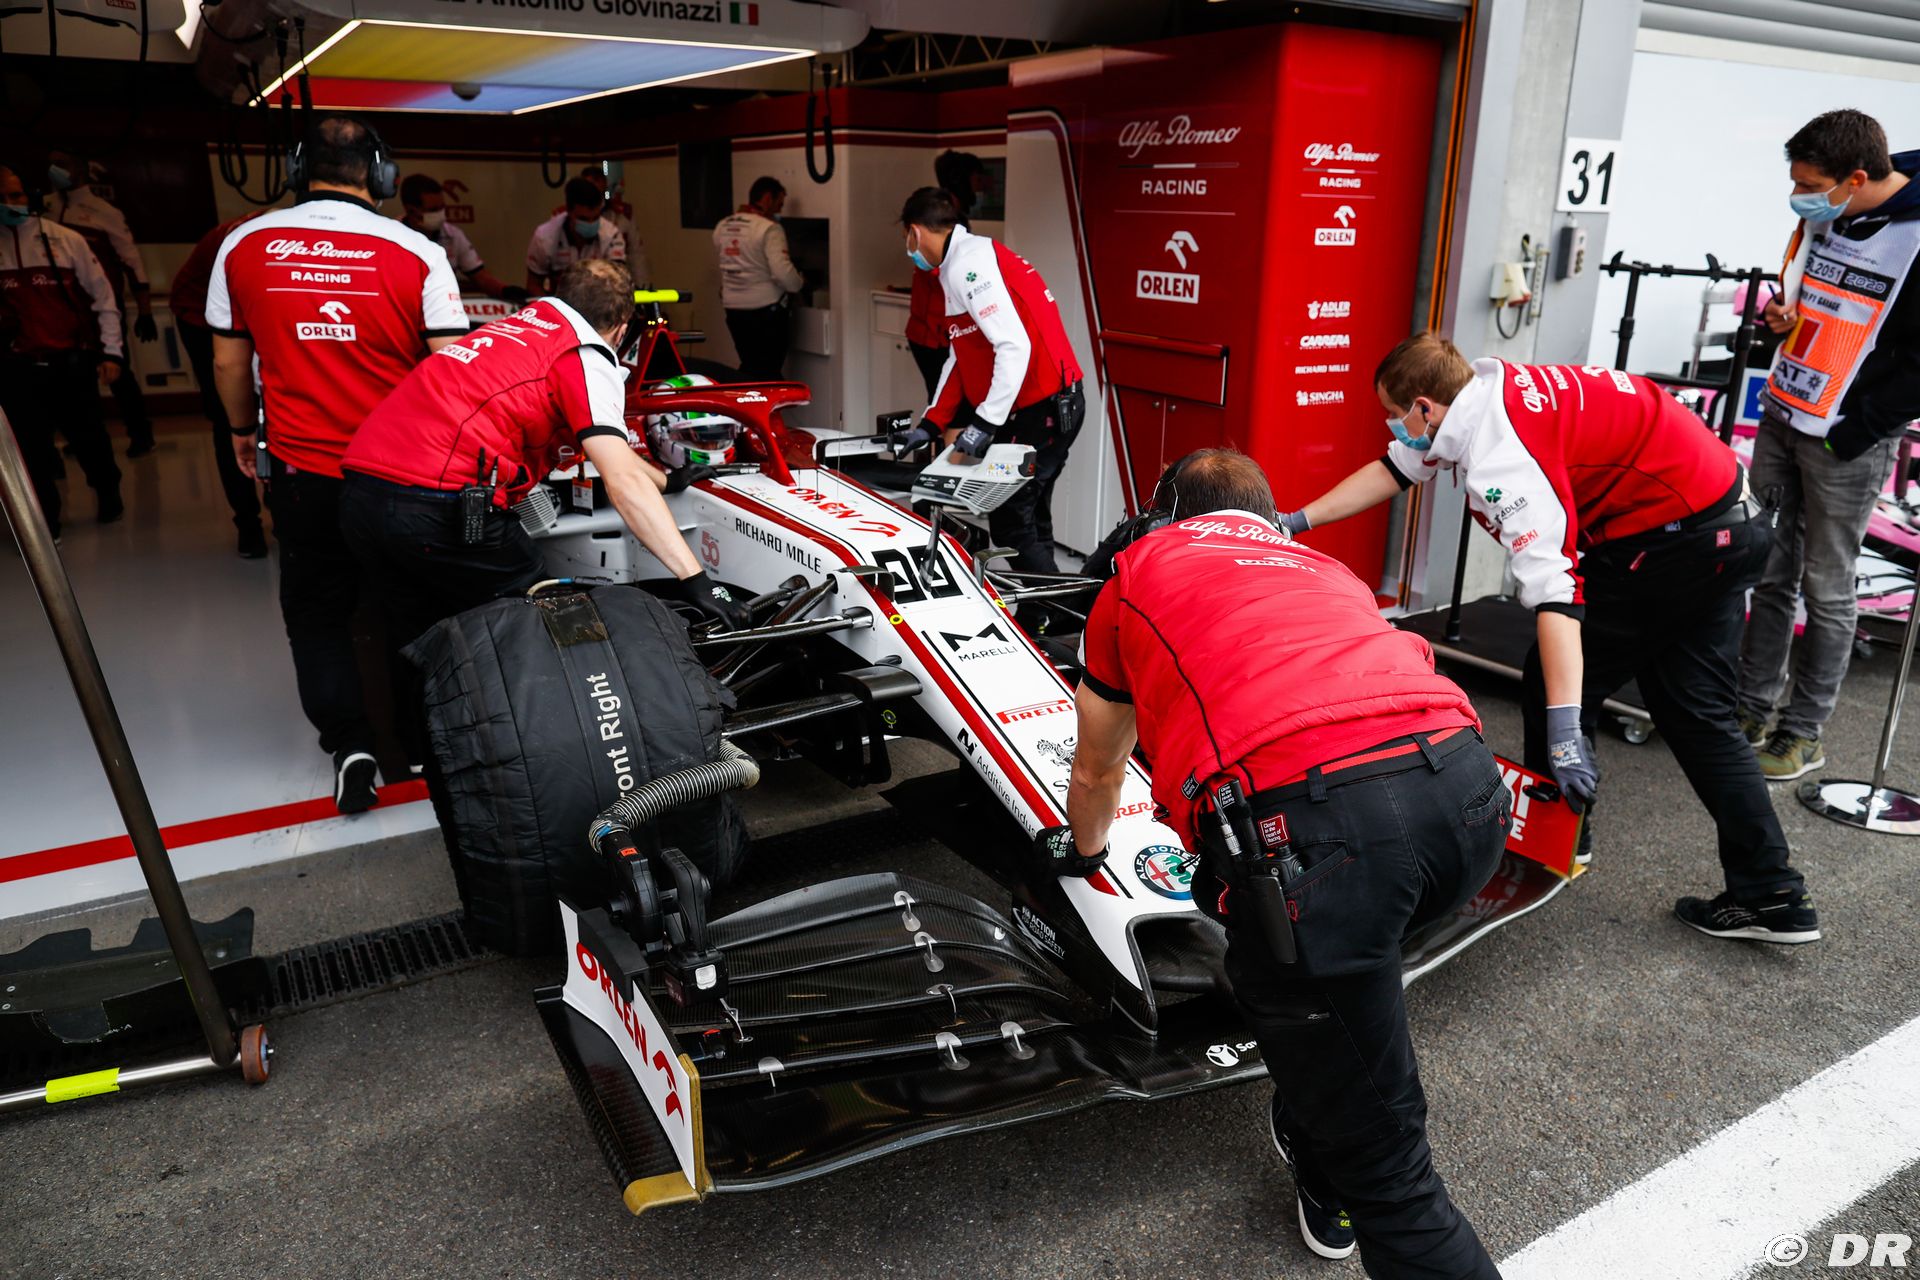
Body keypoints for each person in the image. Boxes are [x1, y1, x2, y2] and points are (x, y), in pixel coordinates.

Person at [1045, 449, 1501, 1277]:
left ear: (1162, 514)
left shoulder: (1135, 573)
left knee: (1397, 1185)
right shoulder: (1324, 567)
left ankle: (1341, 1177)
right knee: (1337, 989)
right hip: (1469, 798)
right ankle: (1324, 1145)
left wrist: (1084, 852)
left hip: (1319, 831)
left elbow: (1097, 769)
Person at [1286, 334, 1820, 945]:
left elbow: (1559, 596)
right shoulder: (1486, 392)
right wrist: (1293, 522)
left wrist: (1564, 731)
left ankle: (1556, 843)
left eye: (1394, 414)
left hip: (1678, 539)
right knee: (1699, 715)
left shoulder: (1504, 458)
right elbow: (1393, 469)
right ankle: (1772, 893)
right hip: (1728, 520)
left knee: (1553, 682)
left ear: (1425, 407)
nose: (1393, 428)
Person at [206, 116, 469, 815]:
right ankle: (421, 746)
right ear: (381, 176)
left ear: (298, 169)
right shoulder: (417, 251)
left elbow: (229, 362)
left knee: (317, 613)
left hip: (303, 475)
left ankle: (351, 747)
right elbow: (451, 370)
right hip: (400, 476)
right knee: (411, 608)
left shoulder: (244, 243)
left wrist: (241, 431)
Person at [339, 258, 748, 665]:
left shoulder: (512, 328)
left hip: (361, 493)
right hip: (436, 503)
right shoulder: (583, 354)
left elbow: (612, 453)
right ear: (622, 329)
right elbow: (621, 478)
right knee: (546, 618)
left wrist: (665, 480)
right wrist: (696, 580)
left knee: (419, 643)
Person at [1737, 108, 1920, 781]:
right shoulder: (1829, 215)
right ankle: (1750, 708)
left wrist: (1853, 432)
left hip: (1846, 440)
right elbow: (1802, 297)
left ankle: (1802, 732)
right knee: (1768, 570)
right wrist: (1778, 318)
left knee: (1827, 585)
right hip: (1785, 412)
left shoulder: (1914, 237)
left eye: (1811, 186)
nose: (1800, 197)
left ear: (1858, 178)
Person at [892, 186, 1085, 573]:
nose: (909, 249)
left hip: (1044, 409)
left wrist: (984, 424)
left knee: (1012, 523)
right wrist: (932, 423)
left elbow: (1013, 345)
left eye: (906, 239)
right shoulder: (962, 261)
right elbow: (961, 354)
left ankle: (1063, 605)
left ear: (915, 231)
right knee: (1031, 517)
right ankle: (1048, 605)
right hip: (1047, 405)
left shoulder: (969, 265)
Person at [0, 164, 124, 538]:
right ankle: (46, 524)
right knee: (30, 451)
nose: (9, 204)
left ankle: (109, 492)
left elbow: (103, 297)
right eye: (1, 198)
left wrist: (112, 352)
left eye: (15, 195)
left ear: (31, 196)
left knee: (89, 438)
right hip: (18, 367)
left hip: (70, 361)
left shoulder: (65, 240)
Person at [169, 214, 268, 558]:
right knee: (231, 416)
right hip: (199, 316)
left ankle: (281, 503)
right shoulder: (238, 243)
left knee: (271, 408)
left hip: (252, 312)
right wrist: (240, 421)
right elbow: (230, 362)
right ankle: (248, 522)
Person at [47, 147, 156, 457]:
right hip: (64, 309)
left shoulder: (104, 212)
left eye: (62, 164)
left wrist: (145, 310)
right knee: (75, 377)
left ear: (80, 169)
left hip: (103, 305)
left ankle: (140, 433)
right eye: (51, 164)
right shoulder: (46, 209)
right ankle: (84, 437)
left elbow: (132, 262)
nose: (55, 170)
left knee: (118, 371)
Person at [904, 153, 985, 399]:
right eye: (977, 178)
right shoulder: (943, 221)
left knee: (941, 401)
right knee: (946, 403)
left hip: (931, 333)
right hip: (935, 335)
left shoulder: (942, 217)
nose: (982, 185)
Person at [713, 176, 803, 381]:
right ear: (768, 198)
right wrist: (800, 283)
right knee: (768, 371)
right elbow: (783, 273)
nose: (779, 211)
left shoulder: (723, 226)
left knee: (751, 366)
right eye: (779, 204)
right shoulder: (769, 228)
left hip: (733, 310)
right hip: (766, 311)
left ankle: (746, 396)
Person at [398, 174, 523, 303]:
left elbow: (480, 277)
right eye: (433, 209)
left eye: (442, 207)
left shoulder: (453, 235)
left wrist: (505, 291)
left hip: (443, 305)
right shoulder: (392, 238)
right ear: (411, 211)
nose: (441, 213)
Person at [526, 176, 625, 296]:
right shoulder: (544, 238)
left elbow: (618, 285)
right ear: (568, 211)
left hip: (600, 301)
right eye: (583, 219)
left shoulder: (611, 235)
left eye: (595, 218)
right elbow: (533, 285)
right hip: (558, 301)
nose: (590, 223)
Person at [577, 165, 648, 288]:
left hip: (612, 283)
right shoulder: (567, 217)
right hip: (579, 281)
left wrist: (641, 286)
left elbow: (636, 254)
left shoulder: (622, 214)